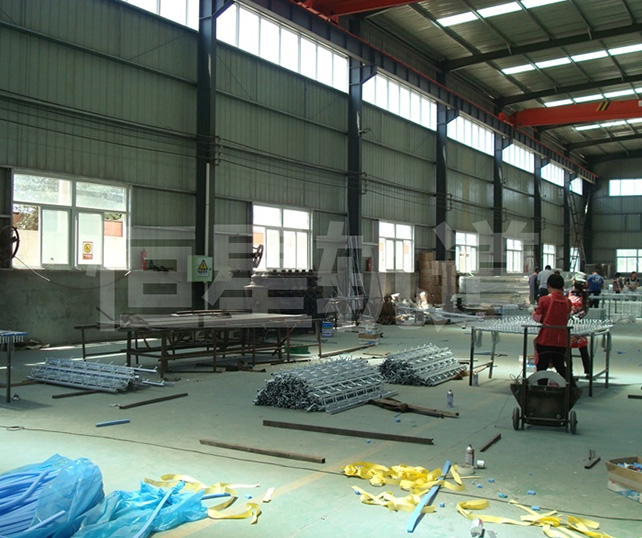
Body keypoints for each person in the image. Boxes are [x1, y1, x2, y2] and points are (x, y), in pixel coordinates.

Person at [532, 273, 573, 384]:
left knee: (542, 366)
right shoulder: (567, 302)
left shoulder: (544, 300)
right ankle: (572, 387)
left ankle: (542, 388)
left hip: (546, 338)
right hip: (561, 339)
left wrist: (532, 313)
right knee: (560, 365)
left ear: (548, 285)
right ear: (562, 286)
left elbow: (537, 318)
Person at [567, 280, 591, 377]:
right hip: (569, 322)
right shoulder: (568, 294)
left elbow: (586, 309)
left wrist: (577, 316)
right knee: (568, 349)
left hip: (579, 323)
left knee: (583, 348)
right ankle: (569, 371)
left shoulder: (584, 295)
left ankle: (588, 371)